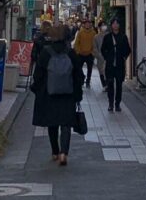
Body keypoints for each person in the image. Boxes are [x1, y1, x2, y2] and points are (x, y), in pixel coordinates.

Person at [31, 24, 84, 166]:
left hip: (50, 95)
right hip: (68, 95)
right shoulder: (70, 53)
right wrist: (78, 93)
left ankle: (55, 151)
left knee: (52, 124)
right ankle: (64, 153)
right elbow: (79, 75)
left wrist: (37, 89)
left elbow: (38, 75)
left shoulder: (46, 53)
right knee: (66, 124)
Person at [100, 19, 131, 113]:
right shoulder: (107, 37)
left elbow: (128, 49)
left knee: (119, 85)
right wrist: (107, 57)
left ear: (119, 25)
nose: (115, 25)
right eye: (113, 23)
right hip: (110, 65)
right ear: (111, 25)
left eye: (117, 23)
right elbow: (103, 49)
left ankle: (117, 104)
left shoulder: (123, 36)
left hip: (119, 64)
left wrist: (124, 57)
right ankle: (110, 104)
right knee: (110, 84)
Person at [72, 19, 97, 88]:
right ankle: (82, 79)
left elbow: (94, 44)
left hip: (89, 54)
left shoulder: (93, 33)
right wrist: (78, 51)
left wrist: (92, 52)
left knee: (90, 69)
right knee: (79, 68)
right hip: (81, 54)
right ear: (84, 24)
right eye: (86, 23)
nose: (87, 25)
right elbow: (76, 43)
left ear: (90, 24)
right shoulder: (80, 32)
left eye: (89, 23)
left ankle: (88, 81)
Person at [92, 20, 108, 89]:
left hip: (108, 57)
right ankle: (104, 85)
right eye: (102, 25)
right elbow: (94, 48)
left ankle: (108, 85)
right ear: (99, 27)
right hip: (100, 57)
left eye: (105, 25)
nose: (104, 26)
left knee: (108, 72)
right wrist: (99, 55)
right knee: (101, 71)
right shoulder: (96, 37)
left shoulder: (109, 35)